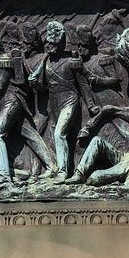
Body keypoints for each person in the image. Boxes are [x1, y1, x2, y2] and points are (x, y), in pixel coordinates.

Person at [0, 23, 57, 185]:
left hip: (12, 102)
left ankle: (4, 175)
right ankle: (52, 166)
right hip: (8, 104)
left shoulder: (4, 60)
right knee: (30, 134)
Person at [29, 21, 99, 183]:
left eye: (52, 44)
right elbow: (44, 88)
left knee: (59, 134)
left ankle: (63, 171)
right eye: (47, 43)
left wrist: (91, 105)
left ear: (60, 44)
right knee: (60, 136)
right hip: (55, 102)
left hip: (69, 100)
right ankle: (62, 167)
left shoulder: (71, 62)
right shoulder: (46, 63)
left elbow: (83, 84)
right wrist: (36, 84)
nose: (48, 46)